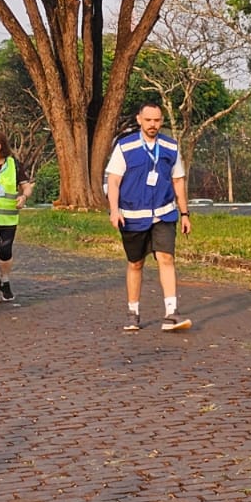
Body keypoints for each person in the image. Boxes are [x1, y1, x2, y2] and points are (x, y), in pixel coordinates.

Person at [105, 102, 192, 332]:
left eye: (156, 120)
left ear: (161, 121)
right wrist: (114, 210)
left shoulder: (170, 147)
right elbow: (113, 180)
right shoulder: (125, 147)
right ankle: (133, 312)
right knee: (136, 263)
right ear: (139, 120)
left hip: (164, 213)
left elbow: (178, 180)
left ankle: (171, 312)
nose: (153, 125)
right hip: (133, 216)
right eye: (148, 120)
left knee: (166, 258)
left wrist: (184, 213)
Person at [0, 129, 34, 304]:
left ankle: (5, 281)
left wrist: (24, 196)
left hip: (8, 218)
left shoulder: (14, 165)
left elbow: (27, 186)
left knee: (5, 251)